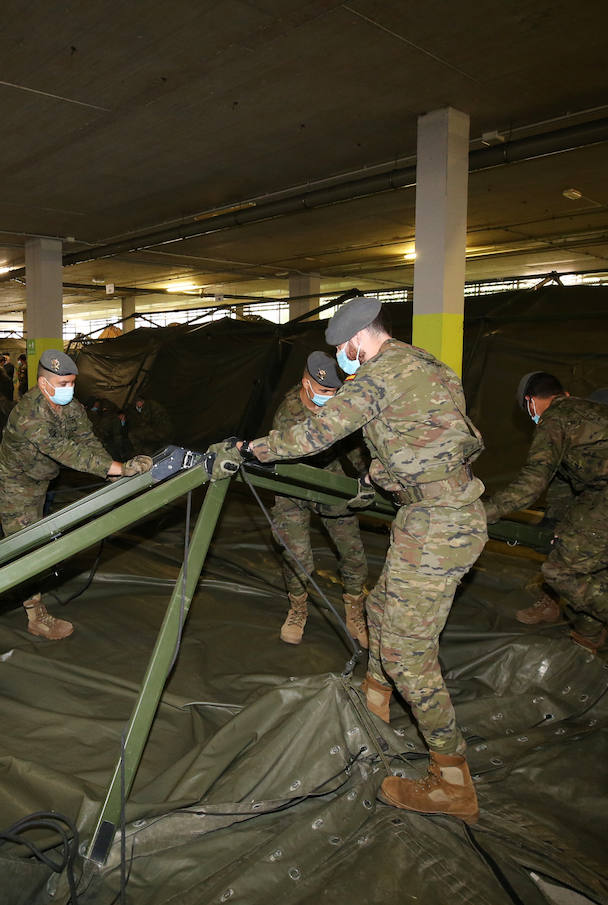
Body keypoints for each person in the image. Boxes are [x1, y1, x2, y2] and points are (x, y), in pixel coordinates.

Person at [243, 296, 486, 824]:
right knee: (378, 611)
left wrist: (250, 449)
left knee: (407, 657)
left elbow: (317, 434)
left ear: (356, 340)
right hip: (433, 513)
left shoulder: (376, 375)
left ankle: (452, 781)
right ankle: (375, 701)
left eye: (343, 349)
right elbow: (433, 434)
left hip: (439, 523)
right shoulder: (427, 364)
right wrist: (384, 473)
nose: (343, 359)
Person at [483, 372, 608, 697]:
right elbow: (564, 484)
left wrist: (482, 513)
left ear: (530, 402)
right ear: (564, 393)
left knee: (561, 572)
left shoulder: (555, 418)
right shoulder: (592, 415)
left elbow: (532, 484)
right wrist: (557, 525)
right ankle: (586, 642)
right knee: (598, 579)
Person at [0, 348, 153, 640]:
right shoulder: (29, 414)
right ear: (44, 383)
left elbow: (86, 441)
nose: (70, 389)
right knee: (25, 547)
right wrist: (117, 468)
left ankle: (17, 549)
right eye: (63, 383)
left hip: (40, 479)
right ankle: (35, 615)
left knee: (31, 533)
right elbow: (65, 450)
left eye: (72, 383)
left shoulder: (70, 406)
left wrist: (111, 471)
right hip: (14, 481)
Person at [266, 352, 371, 645]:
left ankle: (354, 609)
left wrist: (368, 473)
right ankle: (298, 609)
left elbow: (352, 443)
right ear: (306, 384)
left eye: (335, 391)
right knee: (296, 555)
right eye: (325, 390)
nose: (331, 396)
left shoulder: (339, 405)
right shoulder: (288, 413)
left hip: (329, 479)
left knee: (353, 551)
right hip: (293, 483)